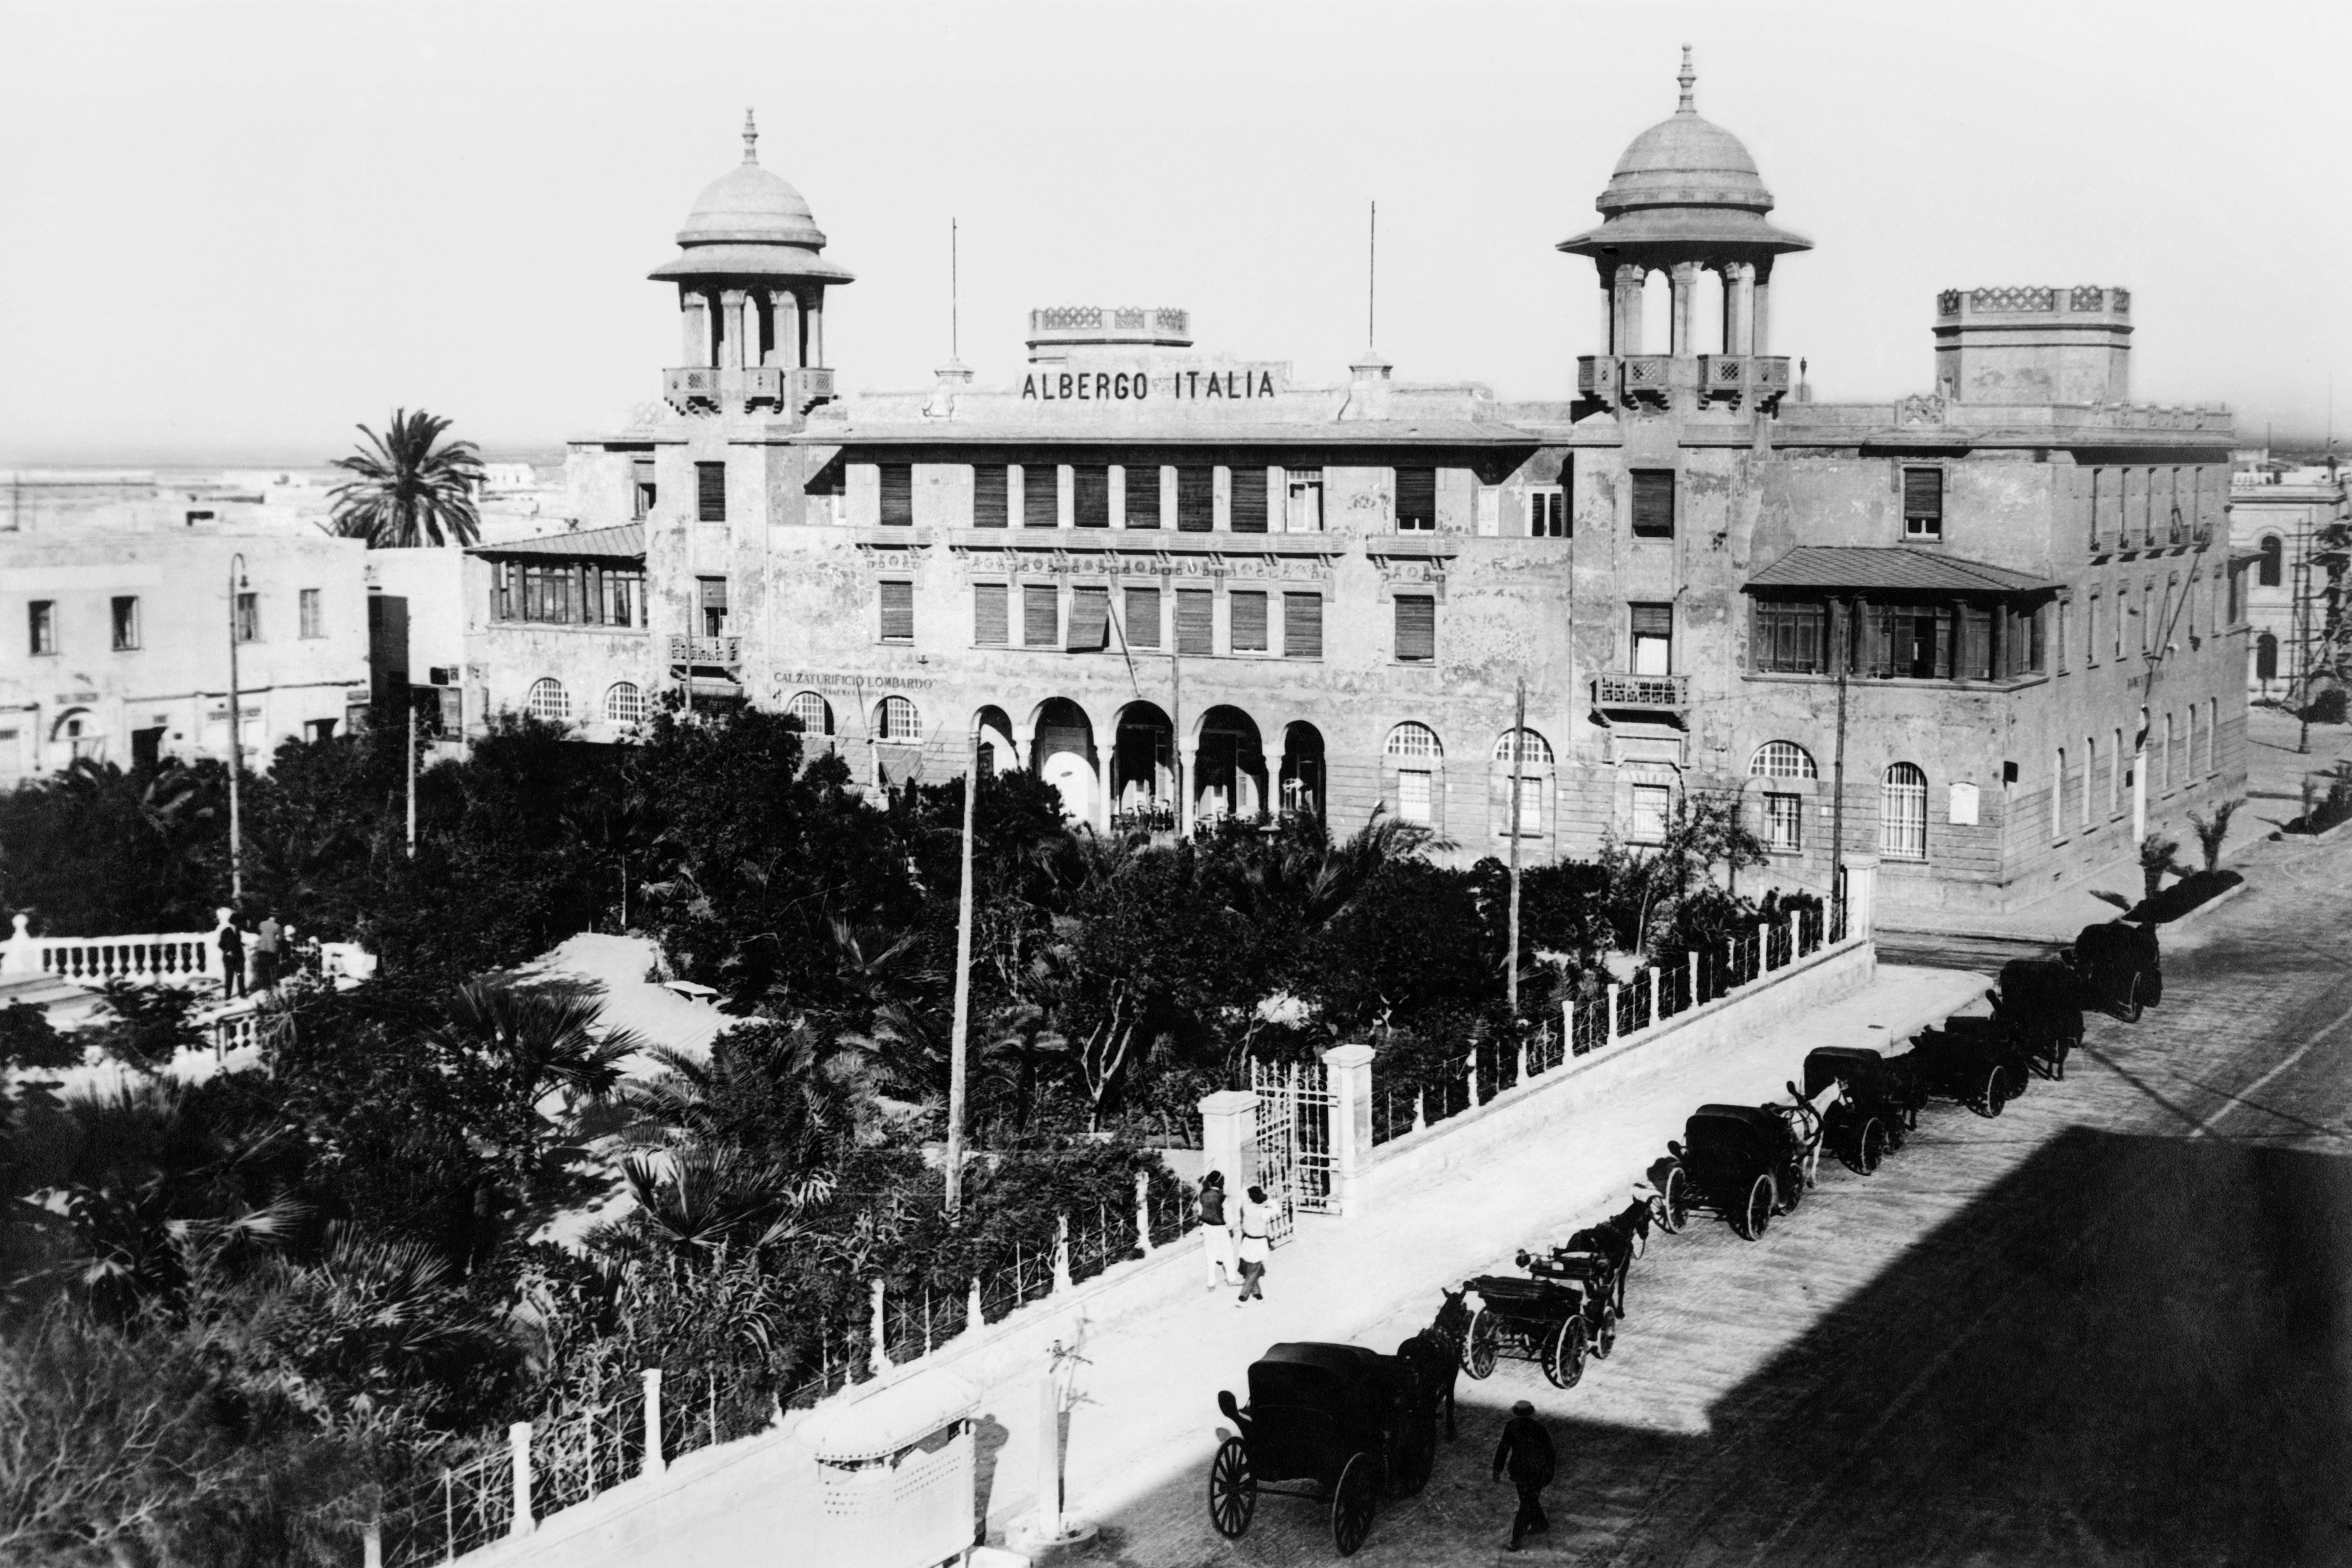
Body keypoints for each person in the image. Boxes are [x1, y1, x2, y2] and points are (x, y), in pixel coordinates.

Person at [1493, 1399, 1555, 1551]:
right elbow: (1550, 1454)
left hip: (1520, 1473)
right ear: (1531, 1413)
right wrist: (1549, 1474)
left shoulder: (1511, 1427)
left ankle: (1516, 1540)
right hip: (1537, 1473)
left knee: (1526, 1504)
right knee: (1530, 1500)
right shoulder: (1539, 1429)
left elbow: (1503, 1449)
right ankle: (1540, 1524)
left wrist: (1497, 1470)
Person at [1197, 1170, 1239, 1292]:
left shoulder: (1203, 1195)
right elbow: (1227, 1215)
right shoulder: (1222, 1197)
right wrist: (1230, 1227)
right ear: (1221, 1182)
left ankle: (1211, 1284)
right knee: (1227, 1253)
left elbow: (1200, 1212)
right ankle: (1232, 1279)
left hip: (1207, 1228)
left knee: (1210, 1256)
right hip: (1220, 1229)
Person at [1234, 1184, 1274, 1305]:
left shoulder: (1246, 1206)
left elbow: (1245, 1197)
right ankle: (1242, 1298)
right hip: (1259, 1243)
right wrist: (1267, 1200)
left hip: (1248, 1241)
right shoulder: (1264, 1211)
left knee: (1252, 1269)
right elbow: (1277, 1208)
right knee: (1253, 1271)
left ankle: (1258, 1295)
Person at [217, 917, 247, 1000]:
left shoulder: (238, 932)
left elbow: (237, 943)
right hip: (229, 958)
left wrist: (243, 944)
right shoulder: (226, 931)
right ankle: (228, 995)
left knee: (241, 976)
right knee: (229, 977)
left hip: (239, 957)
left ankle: (242, 994)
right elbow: (220, 944)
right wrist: (227, 951)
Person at [253, 911, 283, 990]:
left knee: (263, 967)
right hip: (272, 949)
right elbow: (278, 938)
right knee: (272, 967)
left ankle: (264, 984)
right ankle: (273, 983)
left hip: (261, 948)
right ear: (276, 918)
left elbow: (260, 933)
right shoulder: (277, 926)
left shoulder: (262, 924)